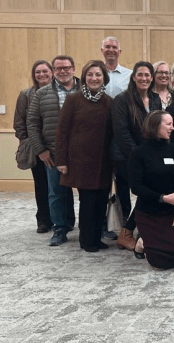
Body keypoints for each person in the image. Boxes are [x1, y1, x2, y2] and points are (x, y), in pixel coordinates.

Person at [55, 60, 113, 252]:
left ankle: (96, 238)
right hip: (80, 162)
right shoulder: (74, 100)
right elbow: (62, 132)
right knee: (88, 203)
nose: (94, 78)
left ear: (104, 77)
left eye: (98, 75)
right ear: (84, 77)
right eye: (90, 75)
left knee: (101, 202)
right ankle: (87, 241)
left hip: (103, 162)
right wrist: (61, 160)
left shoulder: (109, 102)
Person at [129, 111, 174, 269]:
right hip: (149, 212)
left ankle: (145, 241)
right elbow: (136, 187)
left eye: (172, 124)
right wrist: (162, 198)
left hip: (173, 212)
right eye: (168, 124)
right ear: (155, 126)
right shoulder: (138, 153)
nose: (172, 128)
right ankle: (143, 241)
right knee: (159, 261)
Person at [26, 55, 79, 246]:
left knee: (88, 192)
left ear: (73, 69)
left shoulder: (86, 90)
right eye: (58, 68)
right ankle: (59, 229)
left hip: (82, 153)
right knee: (56, 192)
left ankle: (93, 227)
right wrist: (41, 150)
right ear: (54, 71)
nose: (63, 71)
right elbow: (31, 123)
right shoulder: (41, 94)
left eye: (66, 68)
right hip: (53, 152)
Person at [112, 61, 163, 251]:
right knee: (141, 192)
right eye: (140, 75)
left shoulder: (155, 98)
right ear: (133, 77)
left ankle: (131, 230)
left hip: (148, 156)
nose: (144, 78)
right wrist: (138, 156)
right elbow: (121, 132)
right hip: (126, 157)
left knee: (148, 192)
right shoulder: (122, 100)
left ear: (152, 77)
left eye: (147, 75)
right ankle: (127, 232)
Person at [14, 60, 54, 233]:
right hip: (36, 149)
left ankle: (64, 219)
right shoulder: (26, 94)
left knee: (61, 186)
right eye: (38, 72)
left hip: (56, 147)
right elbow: (19, 123)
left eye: (45, 71)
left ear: (52, 73)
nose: (42, 75)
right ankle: (44, 220)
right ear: (33, 74)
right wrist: (31, 143)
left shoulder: (58, 93)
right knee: (41, 185)